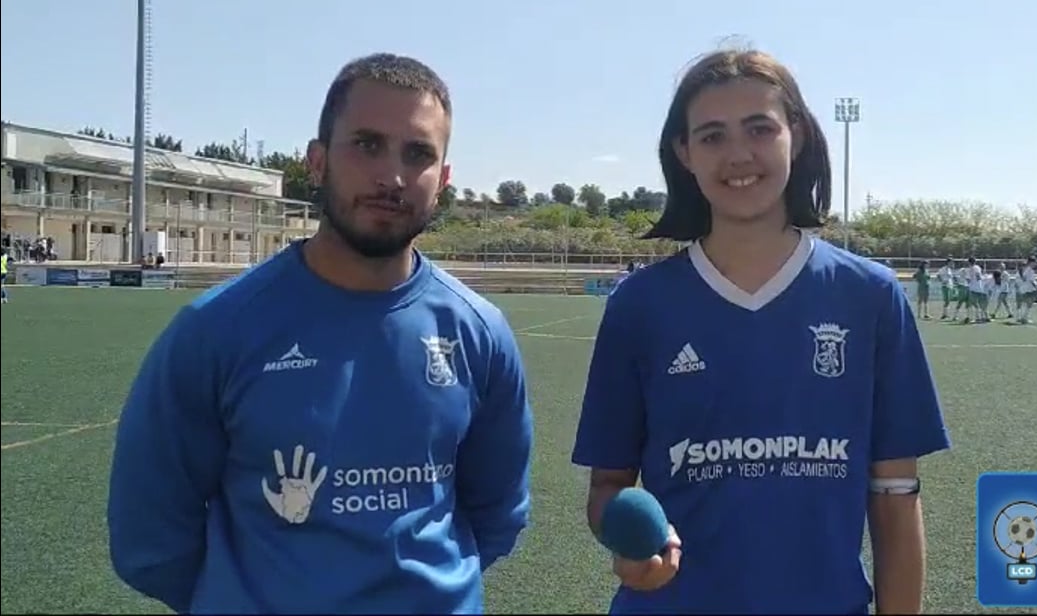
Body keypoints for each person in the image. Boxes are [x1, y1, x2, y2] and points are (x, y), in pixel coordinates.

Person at [107, 53, 534, 614]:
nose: (392, 176)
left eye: (419, 153)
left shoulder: (479, 333)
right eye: (366, 144)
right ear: (317, 160)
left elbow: (497, 512)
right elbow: (150, 536)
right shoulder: (215, 330)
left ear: (444, 180)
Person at [570, 47, 951, 614]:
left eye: (759, 128)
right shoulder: (639, 305)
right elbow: (609, 488)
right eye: (712, 136)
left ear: (794, 134)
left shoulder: (870, 295)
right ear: (684, 152)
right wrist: (633, 547)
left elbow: (895, 494)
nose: (738, 155)